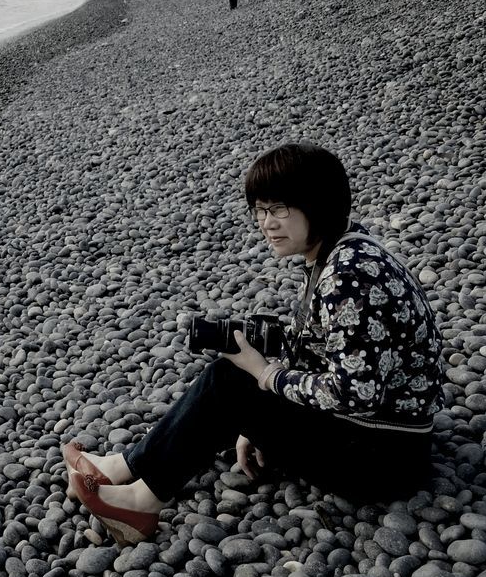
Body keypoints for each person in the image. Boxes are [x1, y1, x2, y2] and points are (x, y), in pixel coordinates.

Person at [65, 143, 445, 546]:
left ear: (317, 204)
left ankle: (139, 499)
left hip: (382, 459)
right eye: (260, 210)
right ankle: (123, 468)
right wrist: (257, 419)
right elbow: (330, 354)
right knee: (237, 377)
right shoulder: (344, 249)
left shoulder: (349, 277)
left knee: (234, 378)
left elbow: (355, 394)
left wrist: (267, 377)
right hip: (384, 440)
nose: (267, 223)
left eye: (280, 209)